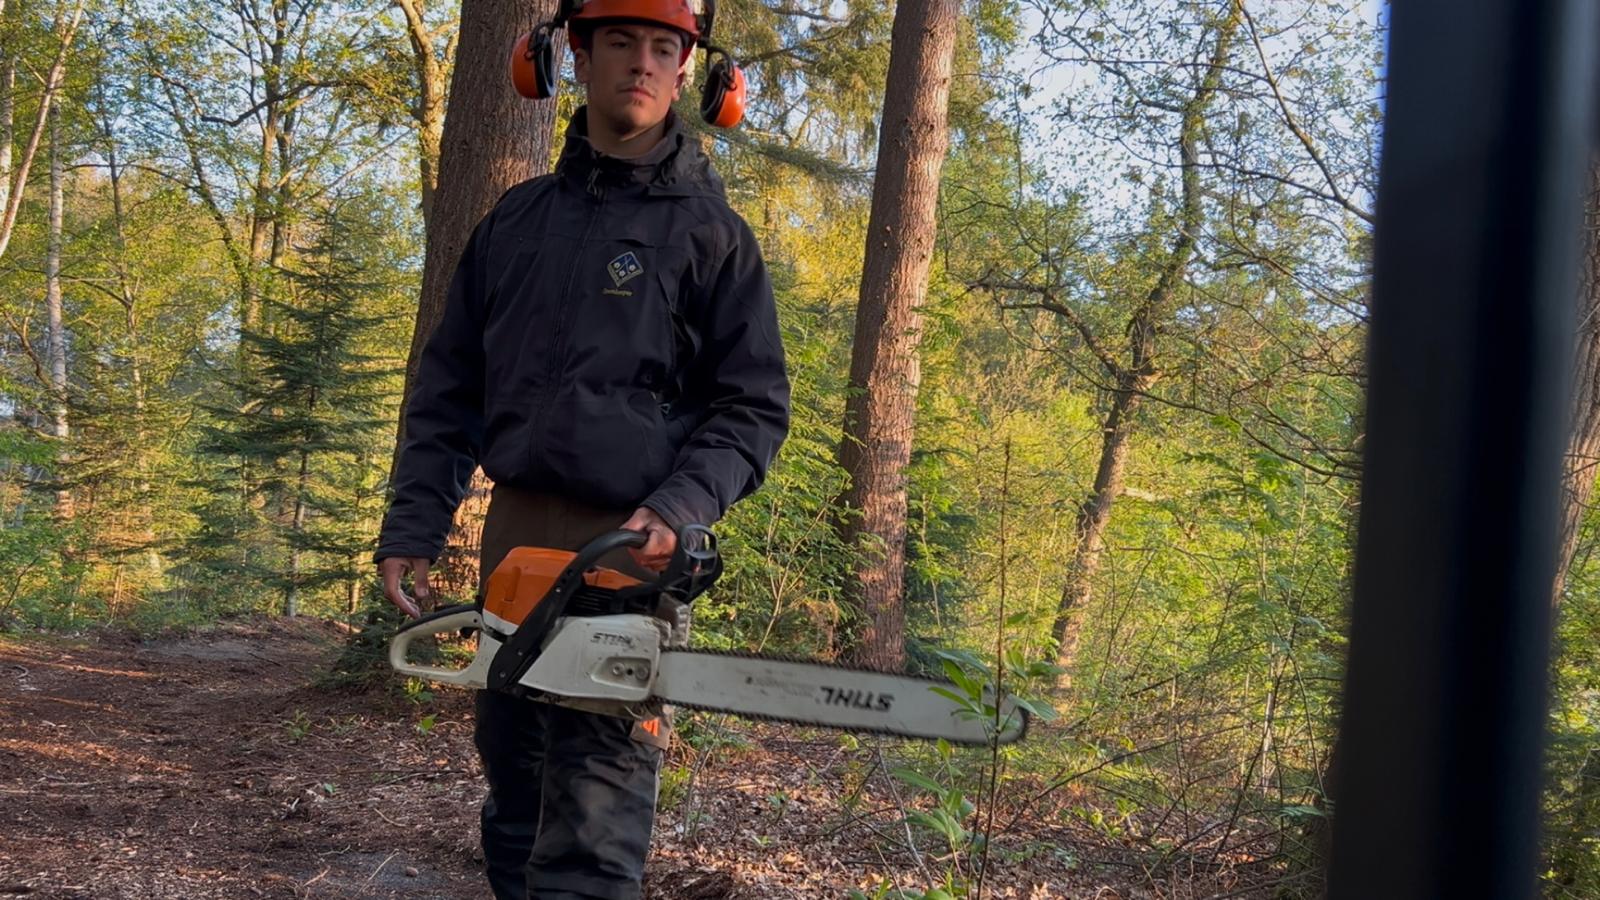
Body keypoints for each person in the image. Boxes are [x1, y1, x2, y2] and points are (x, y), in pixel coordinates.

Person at [371, 1, 791, 896]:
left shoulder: (713, 236)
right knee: (516, 807)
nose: (641, 63)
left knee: (593, 834)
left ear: (692, 72)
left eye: (663, 47)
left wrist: (679, 506)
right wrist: (414, 522)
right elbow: (448, 391)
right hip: (513, 548)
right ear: (572, 54)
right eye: (621, 42)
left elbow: (753, 408)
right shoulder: (516, 223)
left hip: (627, 561)